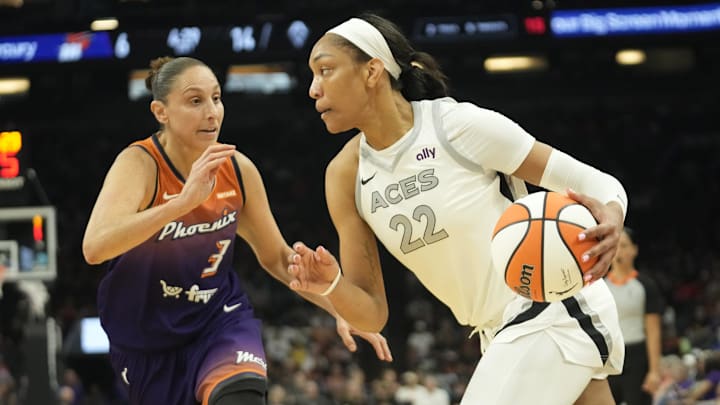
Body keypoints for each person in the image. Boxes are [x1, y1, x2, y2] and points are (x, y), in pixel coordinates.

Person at [288, 13, 629, 405]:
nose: (313, 89)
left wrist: (613, 214)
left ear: (372, 71)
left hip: (550, 307)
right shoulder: (344, 175)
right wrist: (331, 286)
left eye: (325, 70)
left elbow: (596, 183)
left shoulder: (455, 126)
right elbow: (372, 315)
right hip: (498, 330)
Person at [82, 56, 391, 405]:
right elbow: (94, 247)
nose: (212, 112)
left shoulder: (237, 169)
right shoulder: (139, 164)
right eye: (195, 101)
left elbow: (277, 256)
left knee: (240, 395)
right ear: (160, 112)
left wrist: (341, 307)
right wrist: (179, 205)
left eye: (216, 98)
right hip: (144, 341)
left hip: (218, 320)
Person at [606, 228, 665, 405]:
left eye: (624, 245)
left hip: (637, 357)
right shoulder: (599, 287)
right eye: (615, 246)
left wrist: (654, 371)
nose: (619, 251)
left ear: (634, 250)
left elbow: (653, 330)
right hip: (609, 357)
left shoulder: (645, 285)